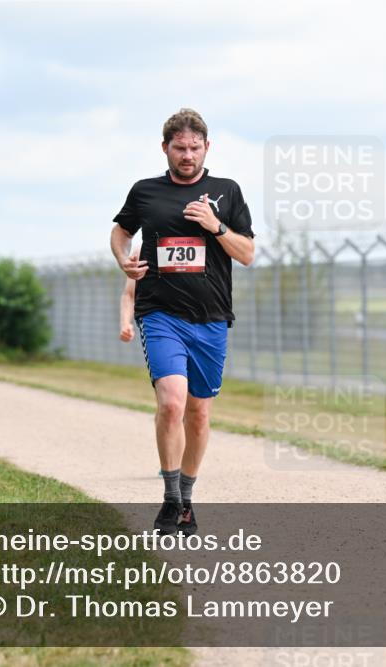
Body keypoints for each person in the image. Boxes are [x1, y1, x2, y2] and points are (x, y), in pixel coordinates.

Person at [110, 108, 255, 536]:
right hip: (160, 314)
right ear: (165, 149)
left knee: (198, 414)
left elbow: (246, 254)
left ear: (207, 147)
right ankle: (170, 498)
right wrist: (124, 260)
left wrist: (216, 226)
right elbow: (121, 231)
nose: (187, 155)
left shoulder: (226, 192)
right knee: (171, 402)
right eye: (179, 148)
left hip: (210, 318)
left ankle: (186, 499)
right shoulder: (146, 192)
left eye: (195, 148)